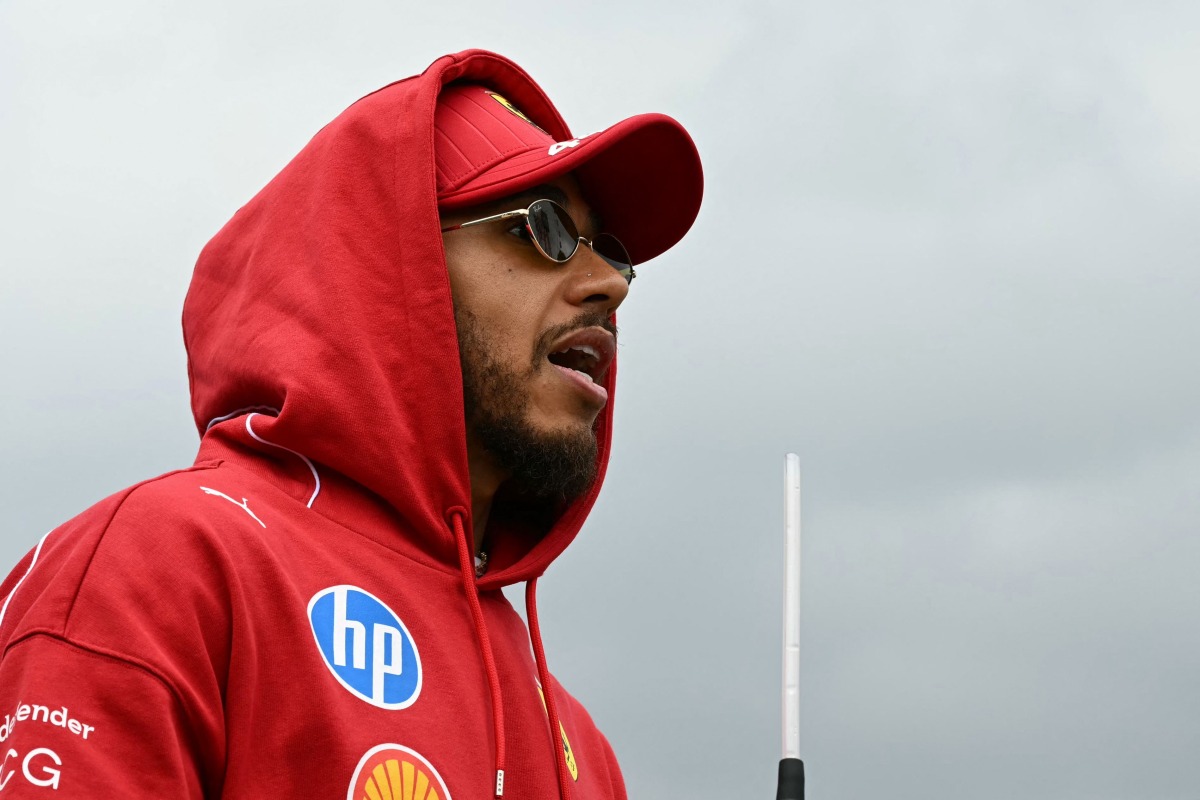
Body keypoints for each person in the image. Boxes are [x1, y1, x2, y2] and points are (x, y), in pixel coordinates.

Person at [0, 48, 702, 799]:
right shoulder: (166, 567)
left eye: (613, 254)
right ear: (393, 265)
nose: (605, 286)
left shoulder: (582, 750)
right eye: (547, 228)